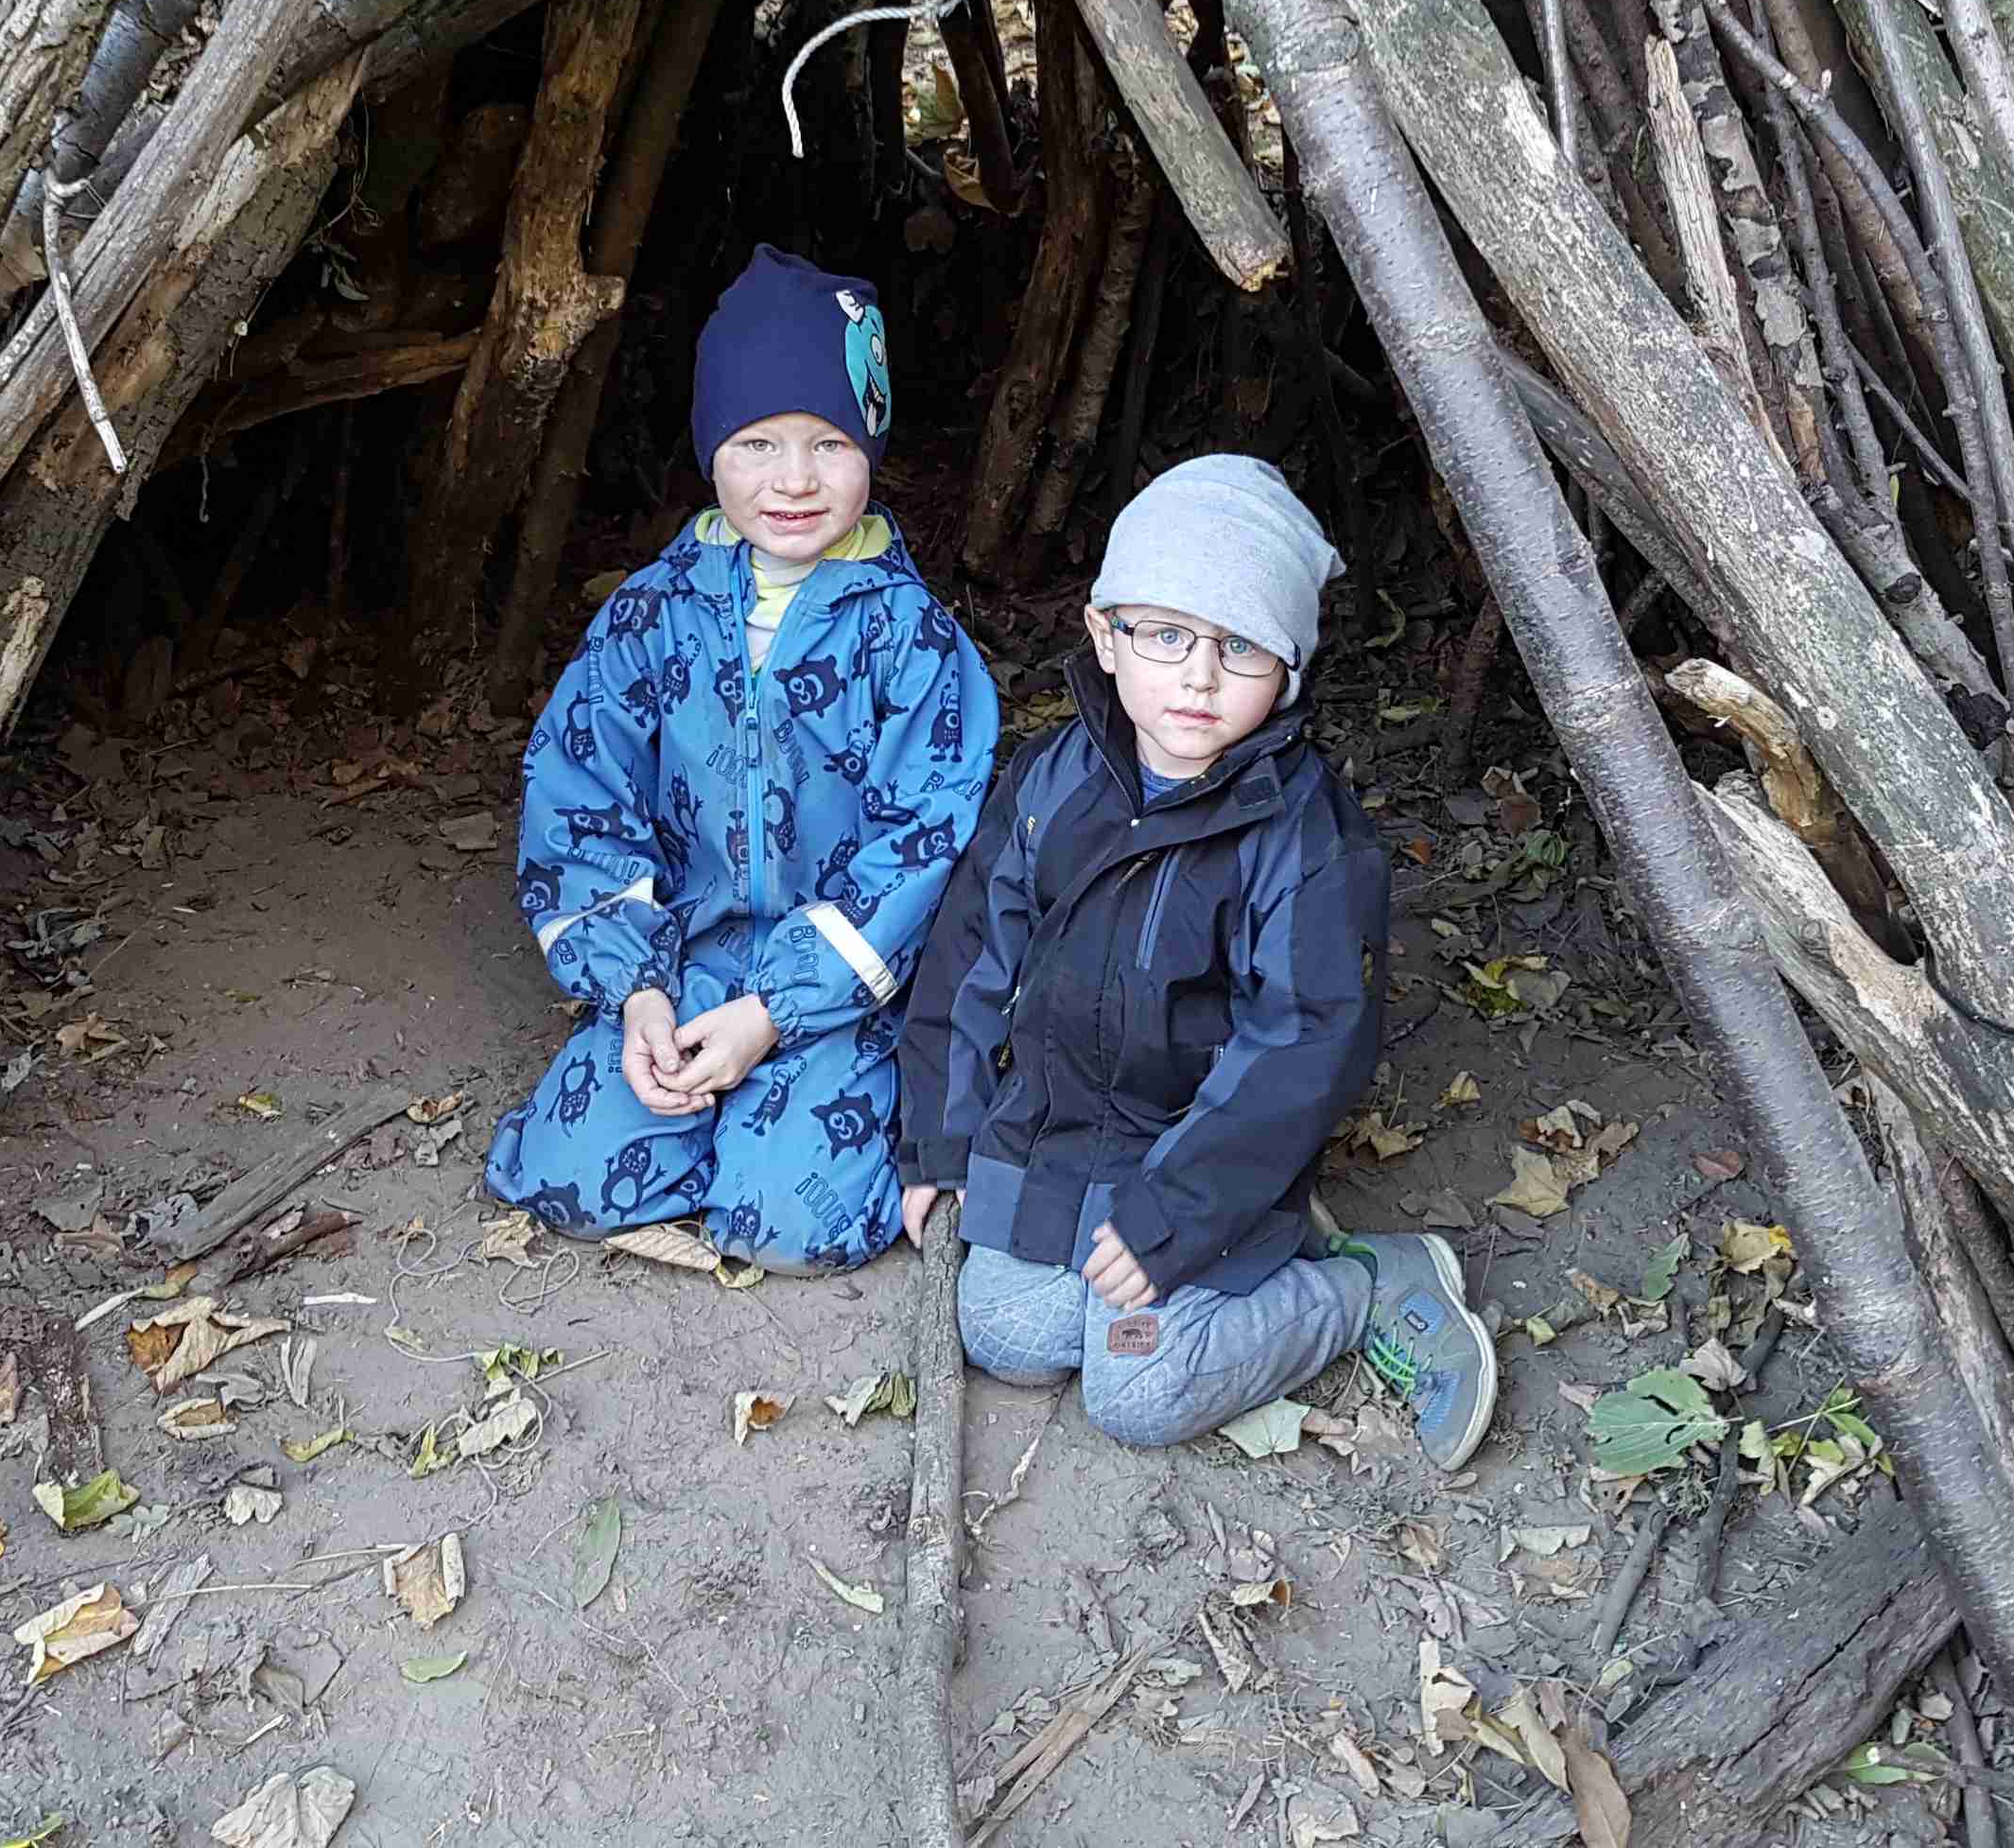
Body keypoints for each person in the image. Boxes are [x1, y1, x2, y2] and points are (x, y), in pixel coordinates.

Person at [895, 455, 1497, 1465]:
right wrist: (942, 1140)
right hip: (1058, 1136)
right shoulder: (1054, 780)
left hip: (1203, 1161)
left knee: (1140, 1386)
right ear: (1106, 635)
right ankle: (1163, 1282)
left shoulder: (1303, 837)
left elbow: (1307, 1039)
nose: (1199, 676)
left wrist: (1174, 1215)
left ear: (1290, 670)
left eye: (1241, 646)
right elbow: (970, 956)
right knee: (1008, 1332)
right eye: (1167, 634)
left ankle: (1360, 1289)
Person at [484, 246, 1000, 1271]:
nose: (794, 479)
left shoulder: (914, 642)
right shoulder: (649, 618)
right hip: (683, 967)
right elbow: (579, 798)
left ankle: (803, 1117)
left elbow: (926, 843)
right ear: (711, 447)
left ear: (871, 445)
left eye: (829, 443)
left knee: (788, 1227)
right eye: (758, 442)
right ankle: (715, 1107)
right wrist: (638, 993)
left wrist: (773, 1015)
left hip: (846, 989)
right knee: (565, 1180)